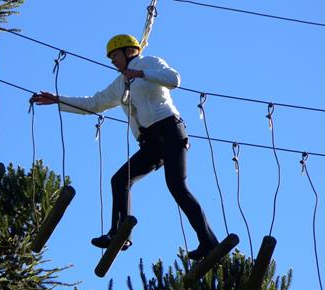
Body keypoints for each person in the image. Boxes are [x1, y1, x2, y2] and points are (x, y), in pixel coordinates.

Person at [31, 34, 219, 260]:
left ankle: (209, 243)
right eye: (111, 58)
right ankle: (119, 234)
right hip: (150, 142)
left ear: (130, 51)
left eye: (115, 56)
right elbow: (94, 103)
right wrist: (58, 99)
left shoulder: (149, 63)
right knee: (120, 180)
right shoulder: (120, 83)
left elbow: (174, 79)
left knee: (177, 187)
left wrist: (141, 74)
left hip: (170, 132)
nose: (113, 61)